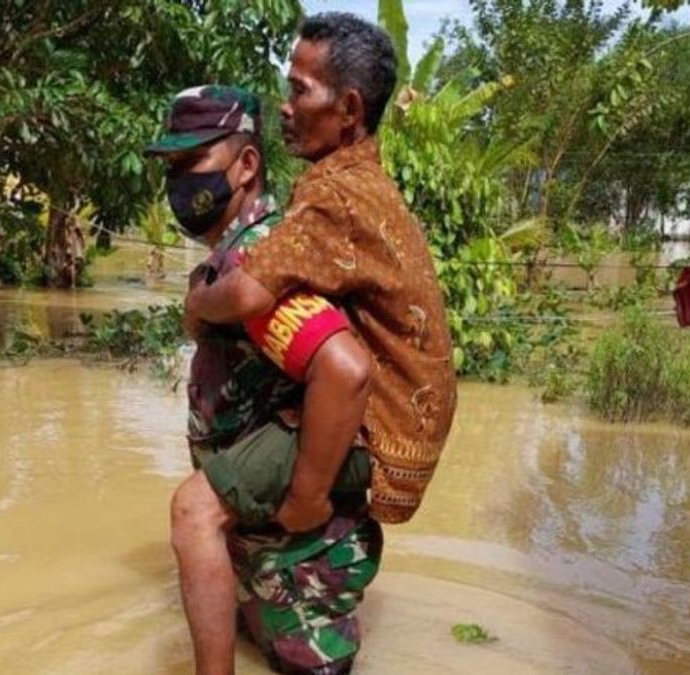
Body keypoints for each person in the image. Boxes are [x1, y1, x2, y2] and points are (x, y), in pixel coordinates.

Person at [186, 12, 458, 527]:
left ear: (349, 108)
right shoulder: (364, 181)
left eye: (300, 91)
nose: (286, 108)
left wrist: (197, 301)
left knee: (192, 512)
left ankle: (308, 504)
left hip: (381, 430)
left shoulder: (334, 194)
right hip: (412, 425)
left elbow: (246, 294)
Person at [145, 85, 382, 675]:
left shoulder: (258, 261)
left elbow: (346, 371)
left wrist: (306, 498)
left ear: (246, 165)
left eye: (191, 163)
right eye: (171, 167)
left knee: (190, 512)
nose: (178, 182)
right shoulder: (238, 257)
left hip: (301, 573)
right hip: (265, 558)